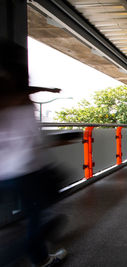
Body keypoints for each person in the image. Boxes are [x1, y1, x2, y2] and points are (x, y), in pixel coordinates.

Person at [0, 39, 67, 267]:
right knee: (37, 215)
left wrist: (48, 89)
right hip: (27, 168)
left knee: (34, 213)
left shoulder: (9, 93)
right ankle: (39, 258)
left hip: (5, 171)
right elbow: (33, 136)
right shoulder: (20, 97)